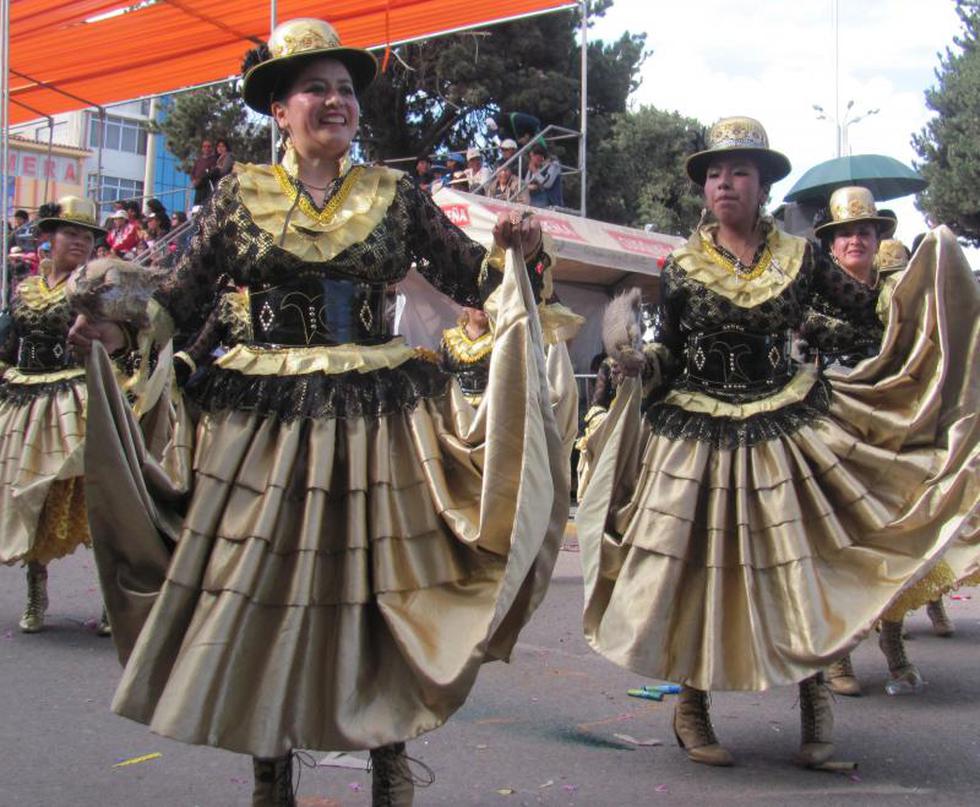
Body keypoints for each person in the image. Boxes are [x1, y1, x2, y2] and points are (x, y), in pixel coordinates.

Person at [68, 18, 570, 807]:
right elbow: (179, 301)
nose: (336, 102)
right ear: (280, 108)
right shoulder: (239, 198)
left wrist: (519, 245)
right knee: (262, 594)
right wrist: (116, 321)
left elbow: (476, 280)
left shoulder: (396, 196)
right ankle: (271, 770)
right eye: (316, 89)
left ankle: (389, 762)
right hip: (264, 430)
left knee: (384, 592)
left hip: (378, 425)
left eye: (345, 90)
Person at [576, 117, 980, 770]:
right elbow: (673, 352)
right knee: (696, 573)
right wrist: (639, 360)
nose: (724, 183)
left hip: (785, 428)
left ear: (763, 184)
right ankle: (693, 709)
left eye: (738, 171)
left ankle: (816, 713)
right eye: (713, 173)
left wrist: (914, 297)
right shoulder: (678, 267)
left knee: (802, 570)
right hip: (697, 434)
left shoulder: (801, 257)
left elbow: (864, 318)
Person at [808, 189, 977, 697]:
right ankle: (837, 655)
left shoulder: (894, 298)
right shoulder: (813, 295)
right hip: (831, 434)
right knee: (835, 546)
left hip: (888, 439)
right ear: (832, 246)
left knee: (893, 541)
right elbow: (796, 362)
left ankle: (893, 639)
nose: (855, 239)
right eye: (845, 233)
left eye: (865, 230)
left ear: (878, 238)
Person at [0, 197, 122, 635]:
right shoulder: (23, 290)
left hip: (74, 398)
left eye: (87, 237)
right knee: (28, 496)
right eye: (71, 233)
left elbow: (121, 334)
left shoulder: (93, 287)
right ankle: (36, 591)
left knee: (91, 499)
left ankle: (110, 599)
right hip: (23, 400)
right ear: (48, 239)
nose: (80, 242)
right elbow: (6, 340)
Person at [439, 307, 493, 406]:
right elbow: (442, 379)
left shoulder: (501, 337)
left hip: (492, 406)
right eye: (475, 303)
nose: (482, 308)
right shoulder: (450, 339)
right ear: (465, 307)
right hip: (459, 409)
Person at [525, 144, 562, 208]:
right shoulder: (534, 167)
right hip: (534, 198)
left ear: (540, 156)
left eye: (533, 156)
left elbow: (547, 184)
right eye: (531, 157)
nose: (532, 159)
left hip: (550, 200)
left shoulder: (553, 164)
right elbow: (526, 184)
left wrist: (535, 171)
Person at [190, 139, 217, 205]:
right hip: (198, 188)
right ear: (202, 148)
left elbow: (211, 173)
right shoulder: (199, 160)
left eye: (208, 146)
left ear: (212, 148)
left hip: (207, 188)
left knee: (205, 206)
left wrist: (201, 179)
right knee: (196, 207)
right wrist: (193, 181)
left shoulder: (214, 159)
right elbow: (193, 172)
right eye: (204, 146)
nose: (206, 148)